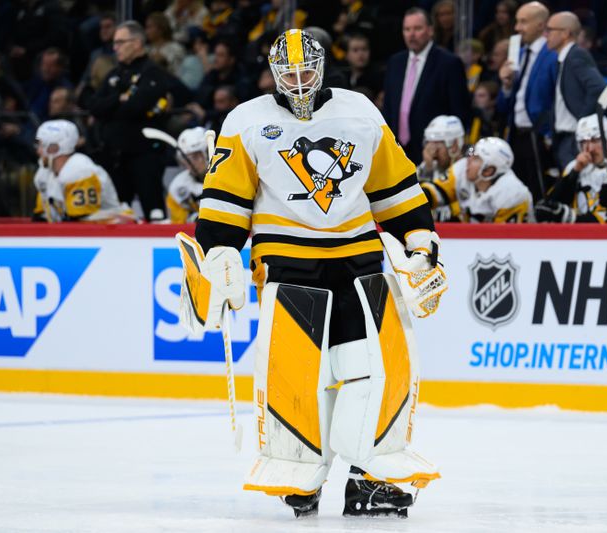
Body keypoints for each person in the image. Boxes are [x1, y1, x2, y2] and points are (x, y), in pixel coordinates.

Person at [179, 29, 446, 519]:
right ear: (274, 73)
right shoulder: (247, 120)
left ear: (322, 68)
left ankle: (371, 478)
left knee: (378, 370)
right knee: (298, 375)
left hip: (361, 259)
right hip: (288, 262)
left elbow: (396, 187)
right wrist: (218, 253)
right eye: (289, 73)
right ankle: (300, 474)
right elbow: (225, 201)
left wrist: (420, 242)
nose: (299, 82)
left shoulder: (360, 112)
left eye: (306, 72)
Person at [88, 20, 170, 222]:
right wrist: (119, 98)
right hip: (114, 156)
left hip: (144, 155)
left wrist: (113, 106)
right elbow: (94, 106)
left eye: (120, 42)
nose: (114, 48)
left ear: (136, 43)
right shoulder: (114, 75)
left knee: (154, 213)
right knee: (114, 215)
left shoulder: (153, 72)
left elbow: (136, 106)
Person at [382, 7, 470, 164]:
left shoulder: (449, 63)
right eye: (407, 29)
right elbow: (389, 107)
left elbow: (459, 110)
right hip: (398, 149)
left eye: (417, 28)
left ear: (430, 30)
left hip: (435, 150)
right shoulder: (395, 62)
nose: (411, 34)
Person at [497, 1, 557, 200]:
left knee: (540, 192)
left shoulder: (553, 54)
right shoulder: (519, 54)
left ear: (541, 25)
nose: (517, 28)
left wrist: (549, 135)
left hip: (540, 138)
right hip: (516, 136)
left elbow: (556, 97)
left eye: (523, 22)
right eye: (517, 22)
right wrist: (506, 85)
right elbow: (505, 106)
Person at [535, 114, 607, 224]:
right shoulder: (574, 167)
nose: (589, 148)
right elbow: (550, 206)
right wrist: (575, 172)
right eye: (584, 142)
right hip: (577, 236)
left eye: (595, 140)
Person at [31, 119, 131, 223]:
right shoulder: (44, 174)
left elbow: (79, 222)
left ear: (55, 147)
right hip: (89, 232)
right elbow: (41, 216)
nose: (38, 151)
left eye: (42, 145)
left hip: (113, 231)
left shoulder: (80, 171)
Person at [421, 137, 533, 223]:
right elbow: (433, 193)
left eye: (476, 158)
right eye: (470, 155)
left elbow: (503, 240)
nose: (467, 161)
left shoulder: (512, 193)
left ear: (489, 170)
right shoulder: (462, 169)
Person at [545, 11, 605, 169]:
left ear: (565, 33)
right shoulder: (564, 59)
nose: (546, 35)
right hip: (563, 137)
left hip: (572, 137)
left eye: (550, 30)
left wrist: (583, 122)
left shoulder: (576, 55)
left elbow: (598, 87)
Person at [166, 127, 208, 223]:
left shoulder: (229, 178)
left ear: (207, 152)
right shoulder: (178, 186)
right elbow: (177, 224)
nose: (191, 164)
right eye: (185, 160)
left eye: (195, 157)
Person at [416, 115, 466, 184]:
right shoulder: (428, 165)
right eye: (429, 143)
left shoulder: (466, 171)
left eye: (437, 144)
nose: (433, 151)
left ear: (455, 145)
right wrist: (428, 169)